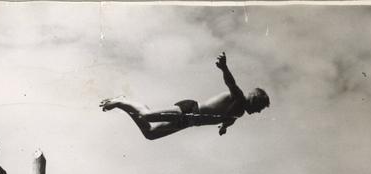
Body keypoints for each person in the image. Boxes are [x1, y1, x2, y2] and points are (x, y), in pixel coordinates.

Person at [100, 52, 269, 141]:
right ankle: (122, 100)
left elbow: (227, 121)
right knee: (147, 116)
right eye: (260, 108)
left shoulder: (237, 114)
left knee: (150, 134)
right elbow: (231, 83)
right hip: (189, 109)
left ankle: (123, 105)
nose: (258, 112)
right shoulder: (239, 98)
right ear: (254, 99)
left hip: (188, 122)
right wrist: (224, 68)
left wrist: (224, 128)